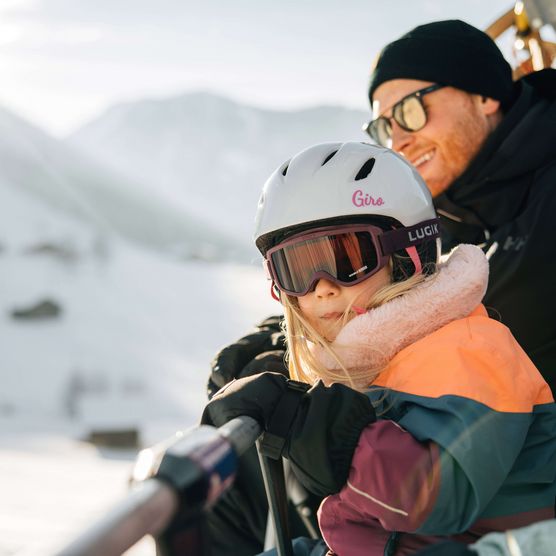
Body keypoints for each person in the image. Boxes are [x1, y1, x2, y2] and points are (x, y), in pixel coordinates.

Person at [202, 142, 556, 555]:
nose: (322, 287)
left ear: (409, 254)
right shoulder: (374, 360)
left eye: (347, 257)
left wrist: (326, 433)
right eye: (296, 269)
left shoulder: (472, 348)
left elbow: (441, 498)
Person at [209, 19, 556, 400]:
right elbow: (391, 295)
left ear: (484, 94)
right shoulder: (456, 210)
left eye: (410, 112)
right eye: (383, 127)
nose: (398, 141)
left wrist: (307, 361)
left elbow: (463, 310)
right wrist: (278, 340)